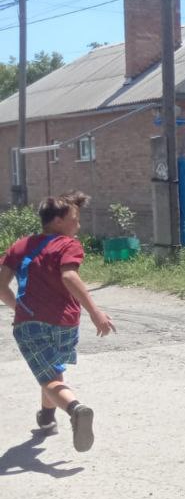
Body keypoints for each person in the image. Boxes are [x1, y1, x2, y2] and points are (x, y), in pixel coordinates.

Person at [0, 191, 114, 452]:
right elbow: (69, 276)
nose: (78, 225)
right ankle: (47, 416)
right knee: (52, 371)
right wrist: (95, 312)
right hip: (66, 323)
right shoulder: (67, 244)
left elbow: (1, 286)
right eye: (74, 219)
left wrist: (19, 309)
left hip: (30, 324)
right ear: (58, 220)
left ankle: (75, 409)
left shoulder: (21, 245)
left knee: (49, 377)